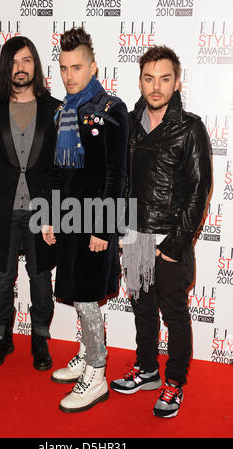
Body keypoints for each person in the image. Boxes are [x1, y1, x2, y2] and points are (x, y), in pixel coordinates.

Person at [110, 45, 212, 418]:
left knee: (175, 315)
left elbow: (201, 190)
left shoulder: (190, 128)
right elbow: (120, 180)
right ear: (140, 81)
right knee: (142, 311)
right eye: (149, 78)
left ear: (177, 82)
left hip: (169, 241)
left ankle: (175, 382)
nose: (156, 87)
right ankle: (148, 368)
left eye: (164, 79)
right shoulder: (128, 125)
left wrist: (175, 245)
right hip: (135, 237)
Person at [42, 27, 128, 413]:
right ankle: (85, 354)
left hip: (95, 222)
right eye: (63, 68)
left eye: (76, 67)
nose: (69, 75)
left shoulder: (112, 108)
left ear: (93, 66)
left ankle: (97, 373)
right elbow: (57, 172)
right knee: (78, 295)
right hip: (69, 222)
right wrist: (49, 217)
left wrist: (103, 229)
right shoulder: (63, 110)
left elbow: (116, 174)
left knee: (89, 299)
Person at [0, 36, 60, 371]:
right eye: (14, 61)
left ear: (35, 66)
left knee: (40, 279)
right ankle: (2, 338)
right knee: (1, 277)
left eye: (26, 61)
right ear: (5, 66)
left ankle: (39, 338)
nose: (20, 68)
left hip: (41, 211)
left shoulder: (55, 109)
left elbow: (57, 164)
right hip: (3, 209)